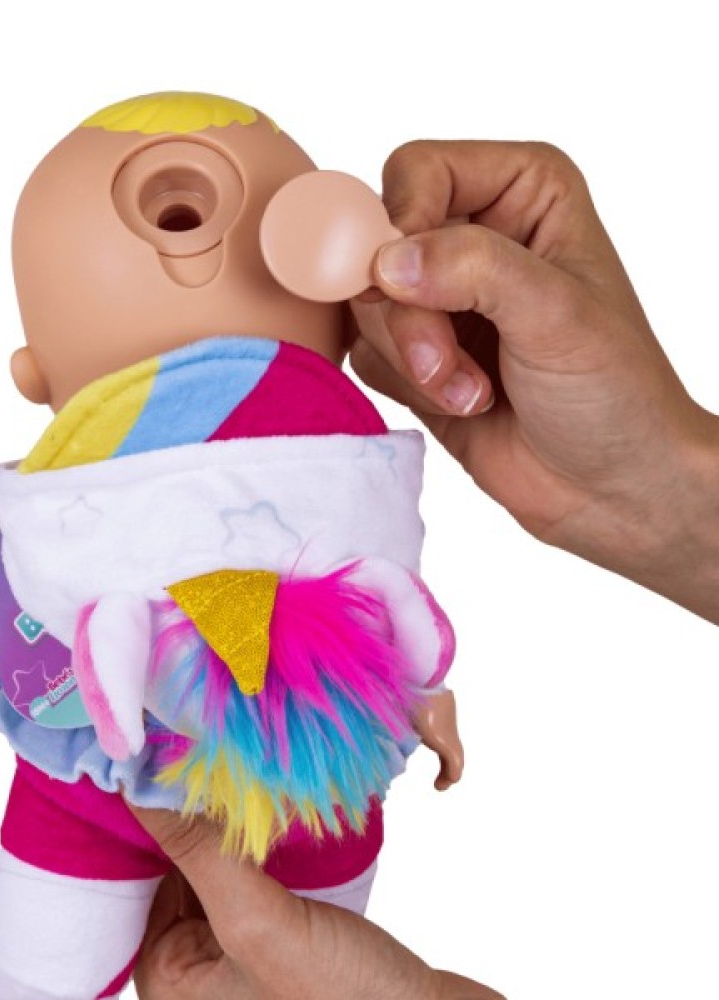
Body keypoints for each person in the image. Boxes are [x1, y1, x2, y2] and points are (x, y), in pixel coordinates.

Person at [128, 139, 719, 998]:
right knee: (53, 942)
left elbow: (391, 647)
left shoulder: (344, 513)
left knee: (308, 871)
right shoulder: (64, 528)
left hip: (311, 783)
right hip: (132, 788)